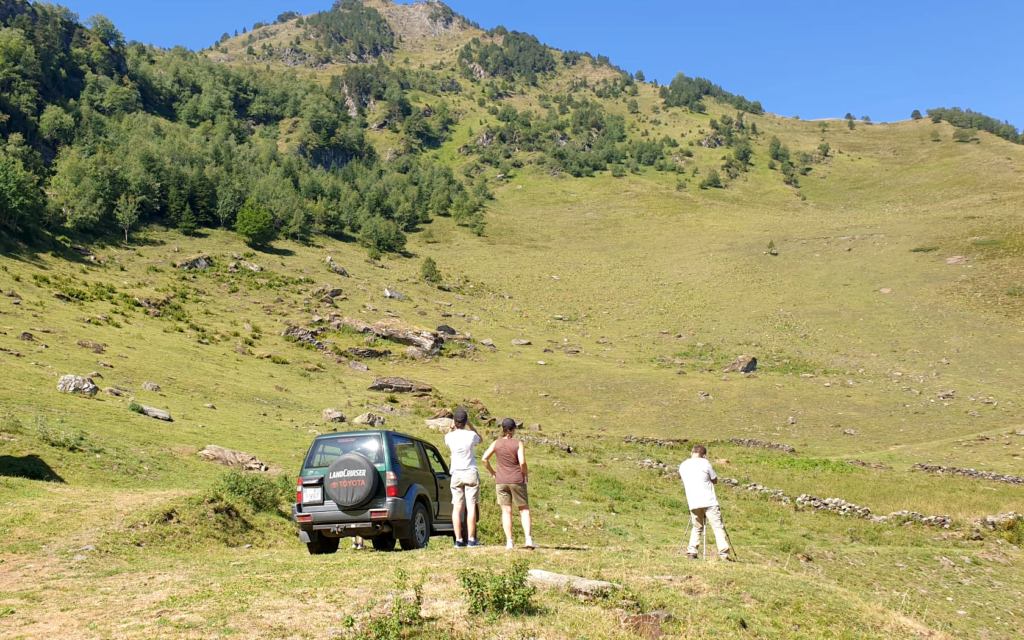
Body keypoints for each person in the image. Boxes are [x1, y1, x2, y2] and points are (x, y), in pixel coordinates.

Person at [482, 418, 535, 550]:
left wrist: (493, 473)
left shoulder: (496, 443)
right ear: (514, 429)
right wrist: (525, 475)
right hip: (516, 479)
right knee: (524, 510)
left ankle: (509, 541)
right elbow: (522, 462)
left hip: (501, 480)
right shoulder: (518, 443)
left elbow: (484, 459)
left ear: (502, 429)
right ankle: (528, 539)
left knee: (506, 511)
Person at [679, 444, 731, 561]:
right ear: (704, 455)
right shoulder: (705, 463)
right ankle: (724, 554)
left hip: (693, 501)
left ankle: (692, 551)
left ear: (692, 452)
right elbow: (714, 479)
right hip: (709, 501)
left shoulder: (683, 465)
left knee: (697, 527)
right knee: (717, 527)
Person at [445, 408, 484, 548]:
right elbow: (480, 439)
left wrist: (451, 427)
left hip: (456, 473)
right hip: (470, 471)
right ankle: (472, 539)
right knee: (471, 506)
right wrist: (471, 425)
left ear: (455, 422)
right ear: (465, 421)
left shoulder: (449, 436)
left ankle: (459, 539)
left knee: (457, 507)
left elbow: (447, 437)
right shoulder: (471, 435)